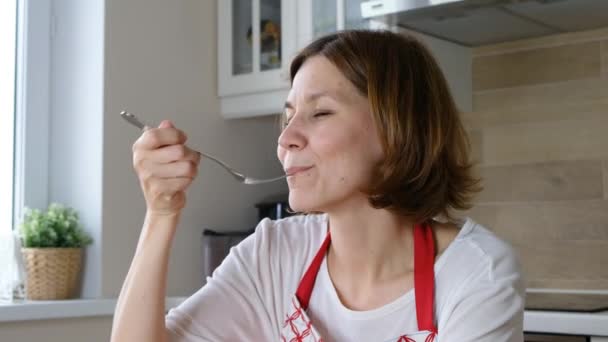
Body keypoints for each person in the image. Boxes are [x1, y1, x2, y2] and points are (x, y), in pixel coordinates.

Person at [111, 30, 525, 342]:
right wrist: (161, 214)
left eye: (320, 113)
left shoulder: (477, 274)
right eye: (288, 116)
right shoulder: (273, 254)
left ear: (397, 132)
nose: (286, 137)